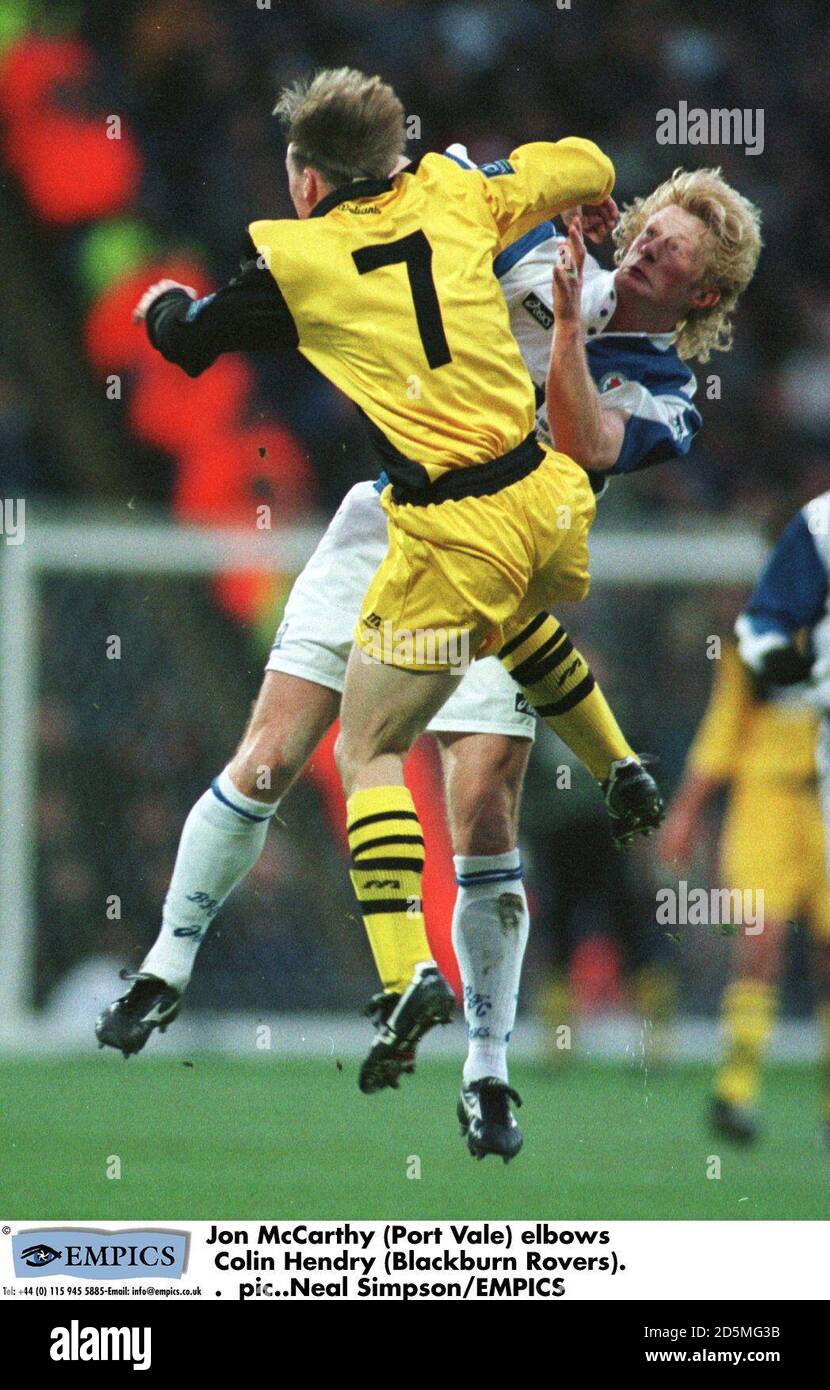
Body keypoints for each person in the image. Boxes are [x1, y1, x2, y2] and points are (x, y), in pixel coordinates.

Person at [97, 71, 758, 1160]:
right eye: (647, 228)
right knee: (267, 754)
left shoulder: (665, 399)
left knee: (484, 813)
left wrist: (549, 298)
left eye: (671, 254)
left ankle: (486, 1066)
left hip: (492, 566)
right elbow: (431, 226)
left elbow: (583, 441)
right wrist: (539, 209)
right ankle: (167, 961)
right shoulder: (537, 253)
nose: (644, 249)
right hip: (387, 523)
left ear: (699, 298)